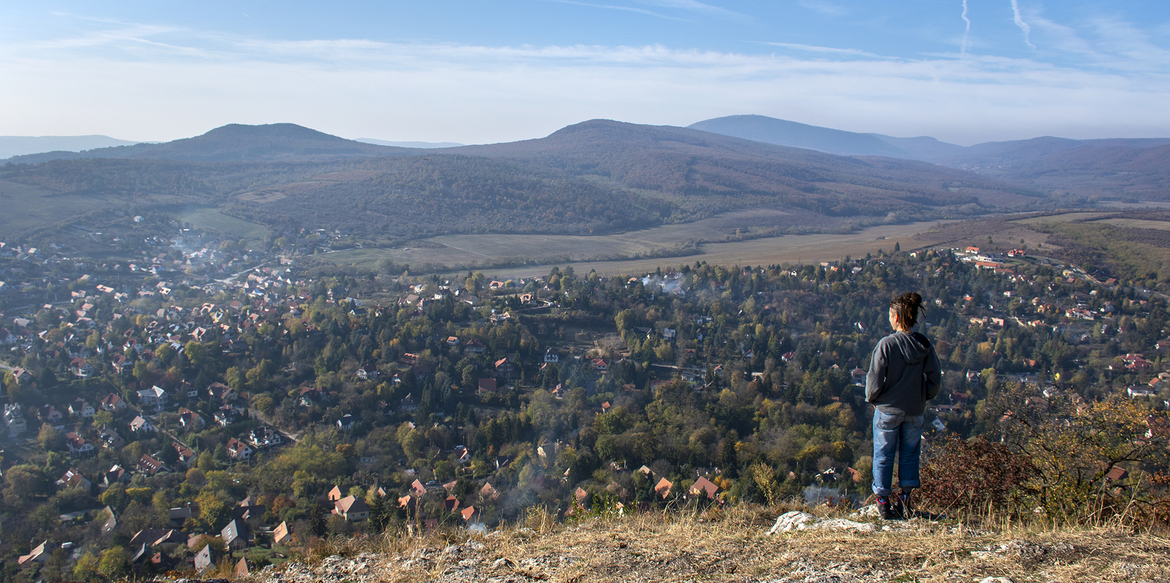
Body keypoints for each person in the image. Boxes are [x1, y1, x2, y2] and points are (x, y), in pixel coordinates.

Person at [865, 292, 941, 520]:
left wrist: (873, 399)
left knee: (884, 455)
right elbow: (935, 378)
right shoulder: (924, 345)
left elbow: (874, 379)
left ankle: (883, 502)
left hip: (888, 409)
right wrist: (922, 396)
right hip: (914, 410)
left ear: (896, 317)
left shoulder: (886, 345)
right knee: (910, 455)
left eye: (890, 316)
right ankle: (905, 499)